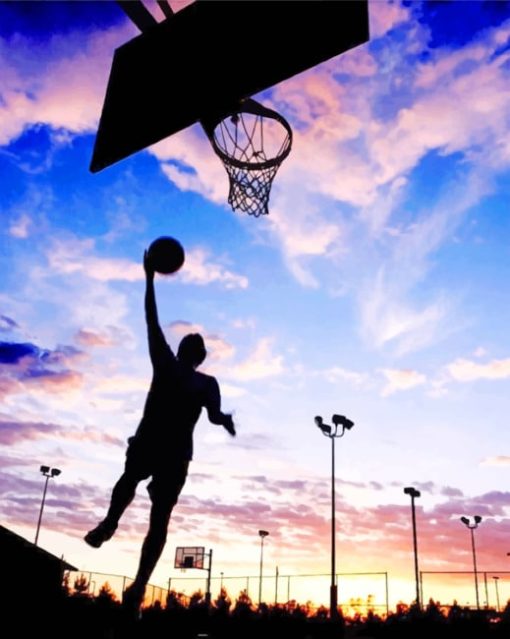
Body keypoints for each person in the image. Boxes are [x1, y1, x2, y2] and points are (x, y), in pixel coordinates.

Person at [84, 249, 236, 611]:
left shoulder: (201, 380)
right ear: (190, 352)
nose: (190, 346)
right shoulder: (175, 367)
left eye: (194, 345)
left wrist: (224, 419)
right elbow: (151, 319)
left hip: (169, 451)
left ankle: (137, 583)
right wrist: (149, 280)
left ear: (195, 355)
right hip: (159, 446)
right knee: (134, 490)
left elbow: (213, 416)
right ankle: (110, 525)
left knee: (152, 510)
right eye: (190, 342)